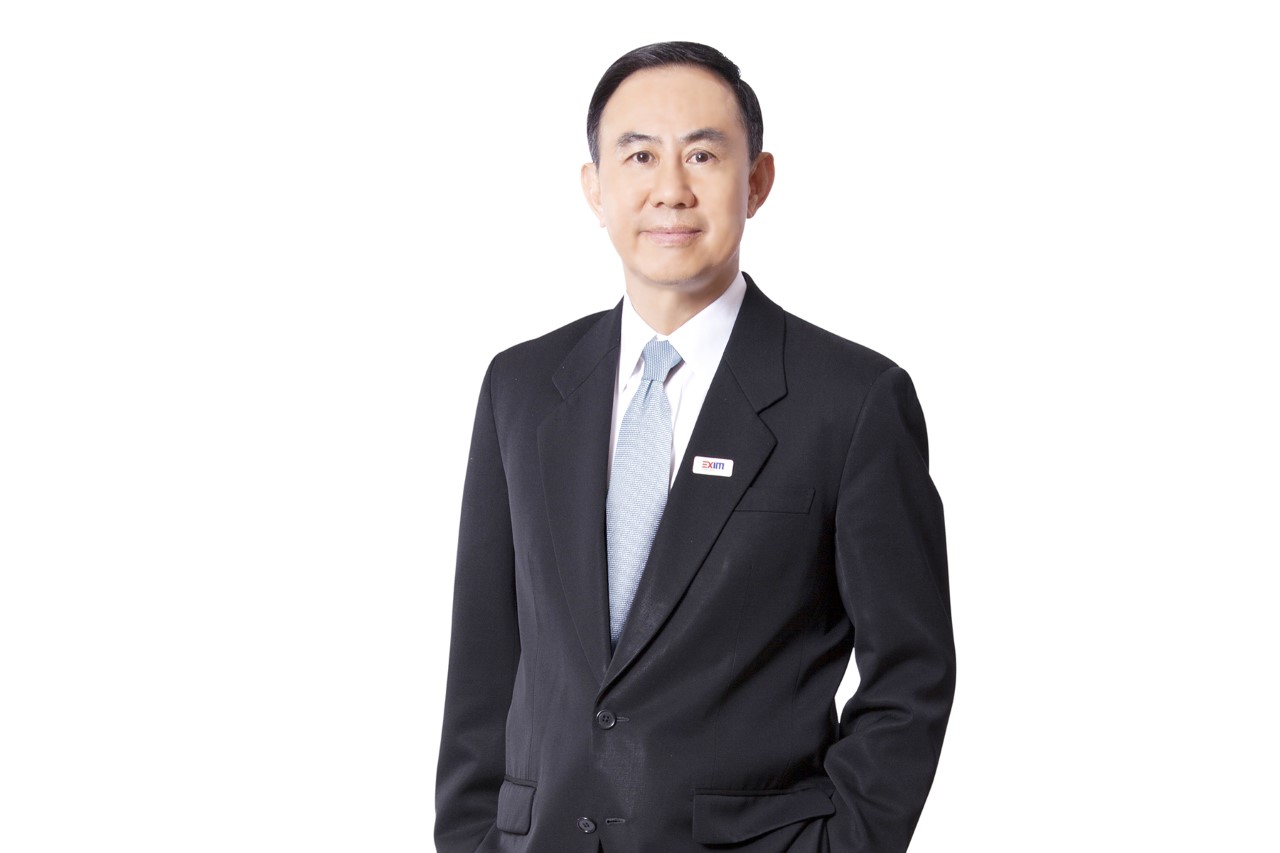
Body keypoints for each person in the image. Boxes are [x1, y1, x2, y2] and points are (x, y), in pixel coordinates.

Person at [435, 41, 954, 853]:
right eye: (639, 155)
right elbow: (484, 656)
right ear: (594, 187)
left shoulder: (852, 401)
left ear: (757, 181)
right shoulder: (523, 387)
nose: (670, 188)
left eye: (703, 155)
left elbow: (911, 674)